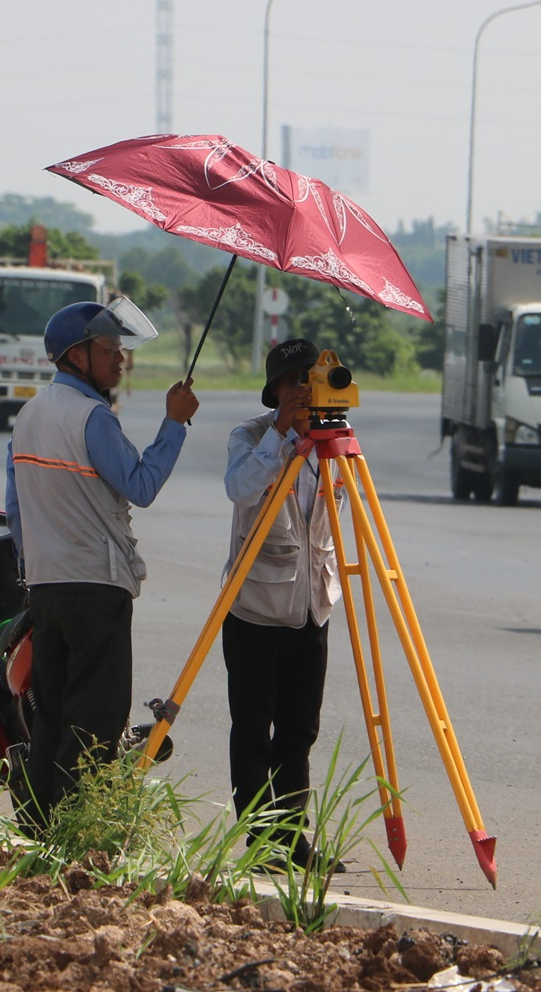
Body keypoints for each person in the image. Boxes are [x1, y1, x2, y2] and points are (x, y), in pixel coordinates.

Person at [4, 297, 198, 826]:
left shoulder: (27, 416)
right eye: (109, 351)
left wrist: (37, 568)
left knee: (50, 715)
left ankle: (39, 826)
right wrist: (174, 424)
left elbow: (16, 509)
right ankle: (77, 828)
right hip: (96, 587)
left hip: (46, 588)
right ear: (76, 356)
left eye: (120, 350)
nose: (120, 361)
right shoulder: (94, 418)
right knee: (96, 718)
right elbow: (140, 485)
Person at [221, 337, 345, 871]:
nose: (304, 391)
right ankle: (260, 842)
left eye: (311, 380)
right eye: (295, 382)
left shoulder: (332, 440)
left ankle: (292, 838)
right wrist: (281, 437)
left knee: (299, 731)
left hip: (311, 608)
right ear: (275, 391)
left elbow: (343, 505)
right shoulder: (250, 435)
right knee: (253, 730)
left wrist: (324, 442)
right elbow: (240, 489)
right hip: (254, 609)